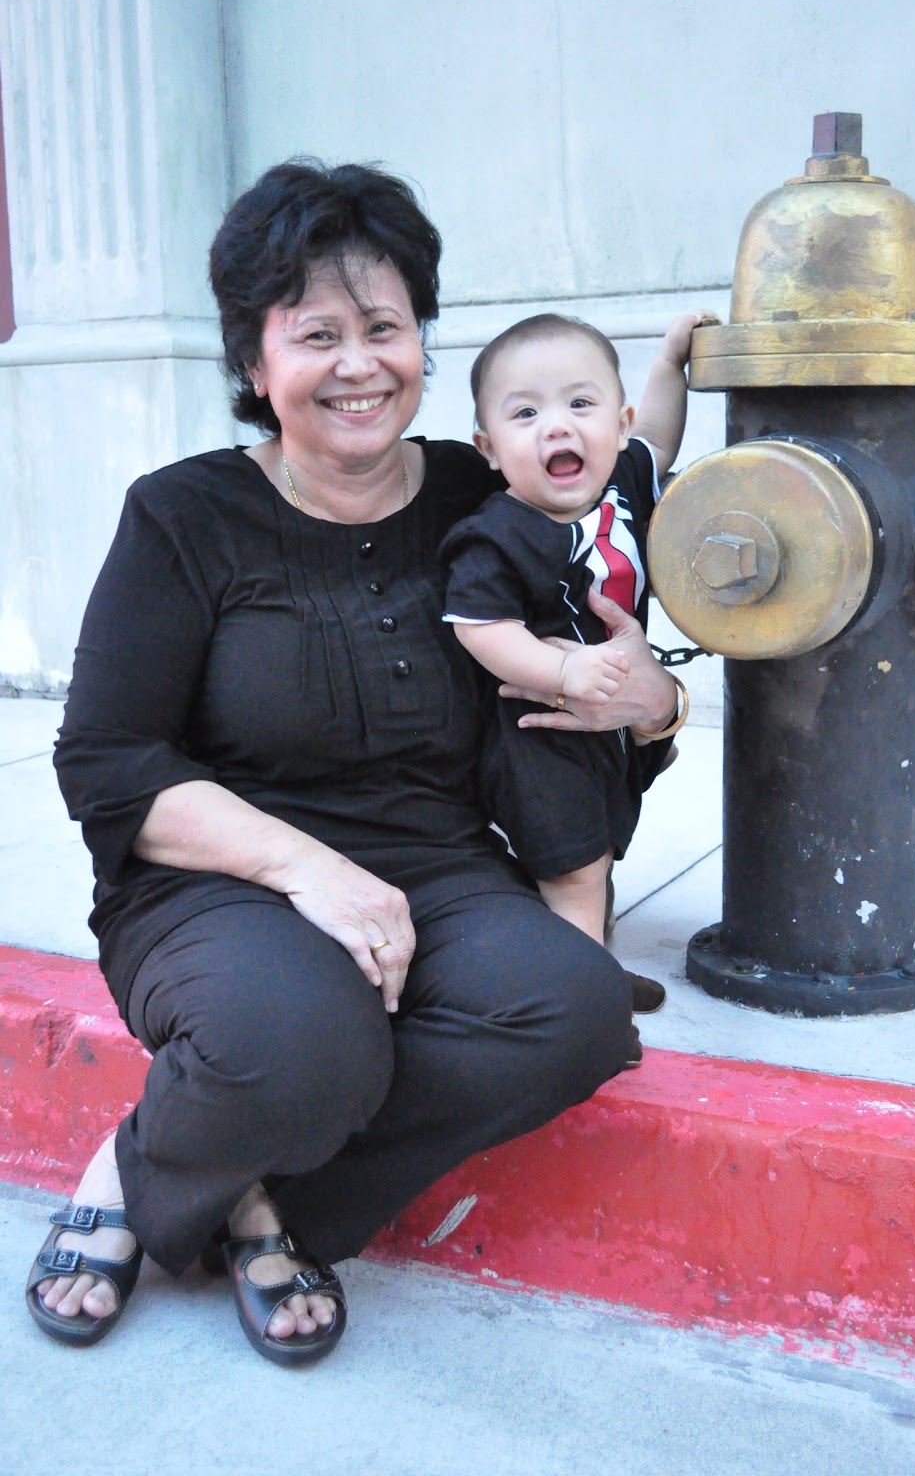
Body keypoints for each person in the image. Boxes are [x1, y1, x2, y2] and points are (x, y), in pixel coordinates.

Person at [25, 160, 685, 1366]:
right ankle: (144, 1167)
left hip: (439, 864)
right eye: (317, 334)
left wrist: (656, 699)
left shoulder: (485, 494)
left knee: (578, 1012)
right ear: (253, 361)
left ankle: (252, 1194)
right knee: (302, 1042)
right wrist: (309, 870)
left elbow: (601, 634)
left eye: (385, 327)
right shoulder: (183, 515)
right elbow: (106, 759)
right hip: (220, 877)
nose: (359, 364)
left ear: (422, 342)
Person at [439, 313, 703, 1025]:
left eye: (580, 404)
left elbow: (660, 438)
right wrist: (563, 674)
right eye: (525, 413)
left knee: (603, 849)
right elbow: (480, 627)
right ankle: (585, 1013)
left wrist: (670, 362)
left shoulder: (625, 482)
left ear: (617, 424)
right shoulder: (494, 536)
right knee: (575, 874)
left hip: (609, 725)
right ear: (489, 448)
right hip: (540, 734)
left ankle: (589, 969)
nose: (557, 425)